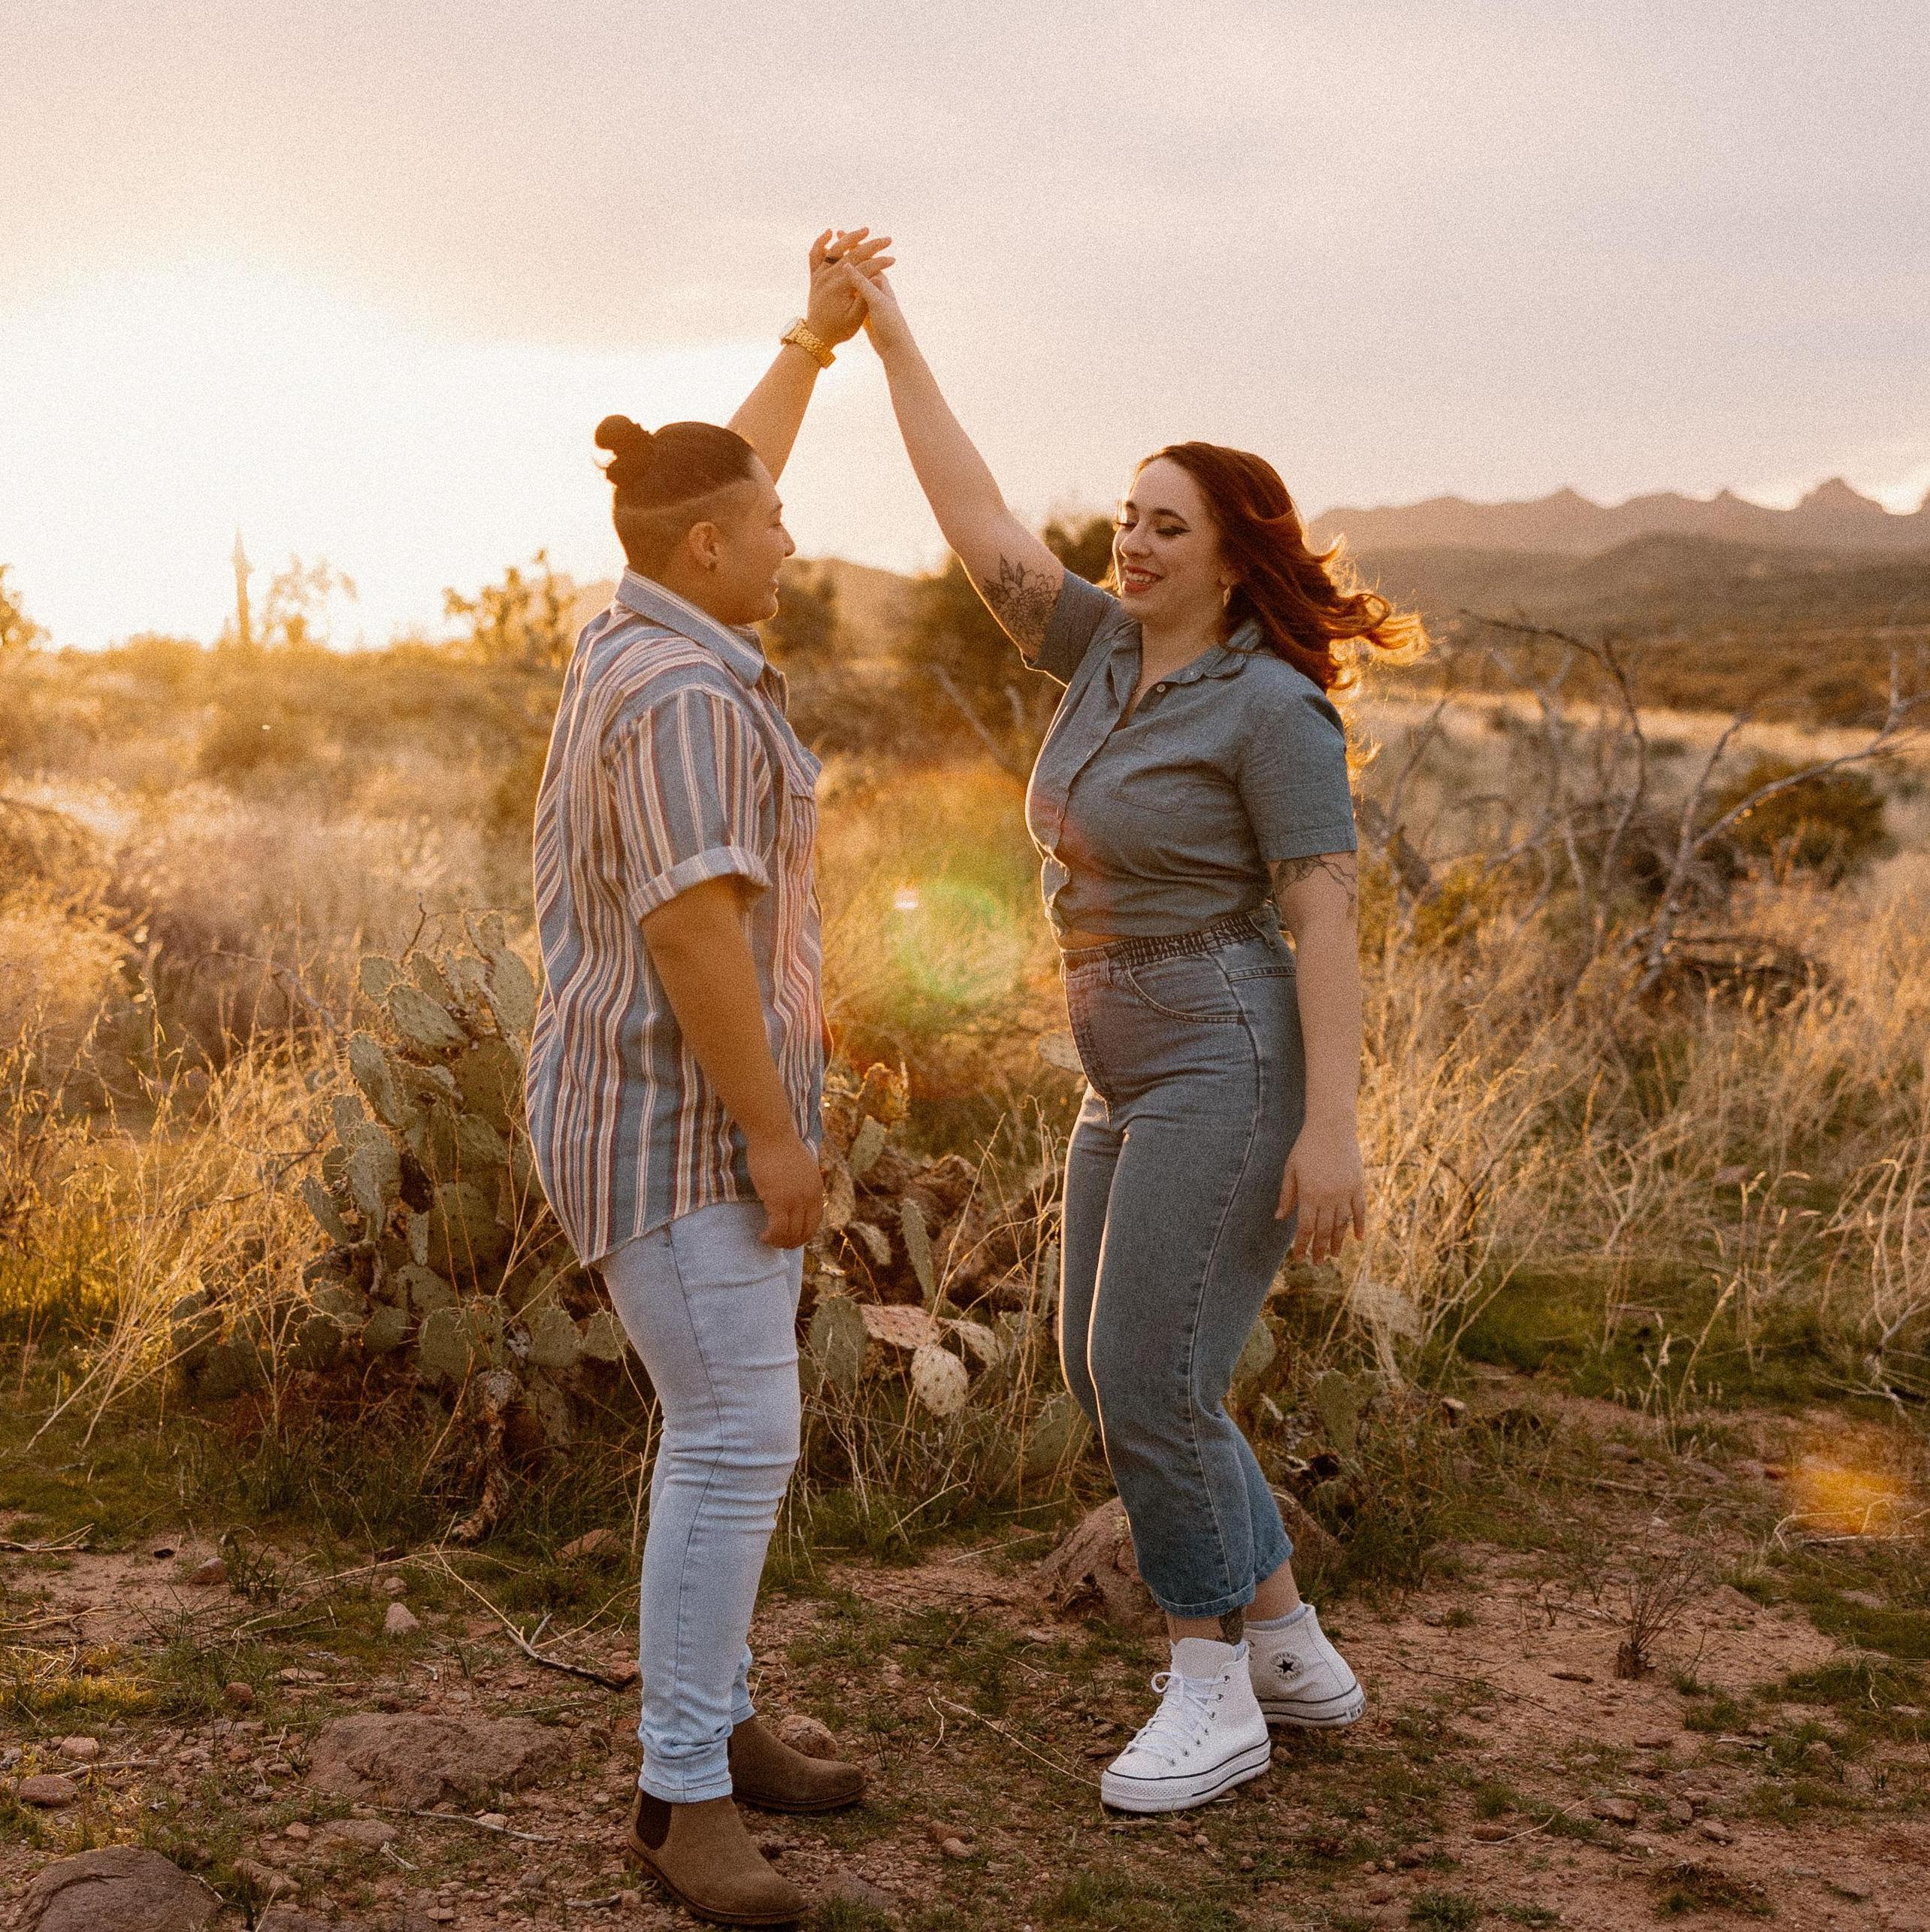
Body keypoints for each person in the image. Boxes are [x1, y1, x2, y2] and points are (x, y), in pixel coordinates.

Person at [842, 262, 1423, 1814]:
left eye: (1170, 522)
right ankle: (1288, 1637)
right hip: (1123, 1061)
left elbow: (1324, 915)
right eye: (1128, 514)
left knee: (1147, 1374)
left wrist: (1335, 1126)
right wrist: (894, 334)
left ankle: (1211, 1687)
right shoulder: (1104, 649)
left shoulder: (1275, 711)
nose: (1133, 538)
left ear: (1236, 557)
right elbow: (978, 527)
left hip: (1229, 1056)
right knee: (1125, 1379)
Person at [525, 227, 890, 1926]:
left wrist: (808, 350)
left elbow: (719, 481)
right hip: (679, 1130)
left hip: (645, 1110)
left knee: (728, 1430)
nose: (791, 534)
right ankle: (682, 1797)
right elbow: (696, 943)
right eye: (770, 522)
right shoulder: (681, 696)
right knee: (736, 1434)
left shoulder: (643, 618)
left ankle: (719, 1728)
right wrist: (777, 1138)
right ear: (707, 546)